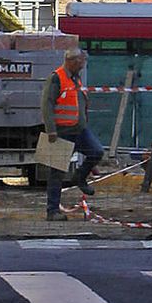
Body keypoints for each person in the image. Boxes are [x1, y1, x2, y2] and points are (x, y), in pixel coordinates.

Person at [41, 48, 104, 218]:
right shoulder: (57, 78)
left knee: (97, 152)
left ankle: (80, 177)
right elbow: (47, 104)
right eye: (81, 63)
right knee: (57, 172)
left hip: (80, 130)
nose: (83, 66)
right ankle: (52, 211)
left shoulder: (76, 79)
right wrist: (51, 129)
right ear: (72, 61)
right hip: (62, 131)